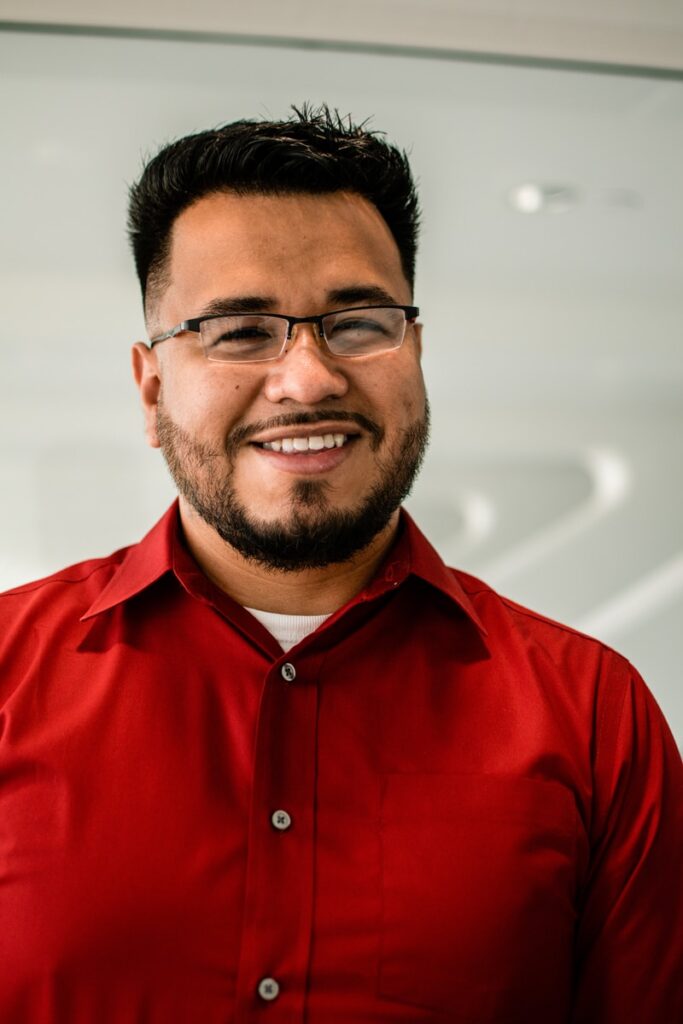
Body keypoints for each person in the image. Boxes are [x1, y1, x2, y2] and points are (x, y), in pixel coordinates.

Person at [0, 104, 681, 1024]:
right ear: (152, 387)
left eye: (358, 322)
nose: (309, 377)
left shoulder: (595, 714)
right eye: (240, 332)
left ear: (416, 350)